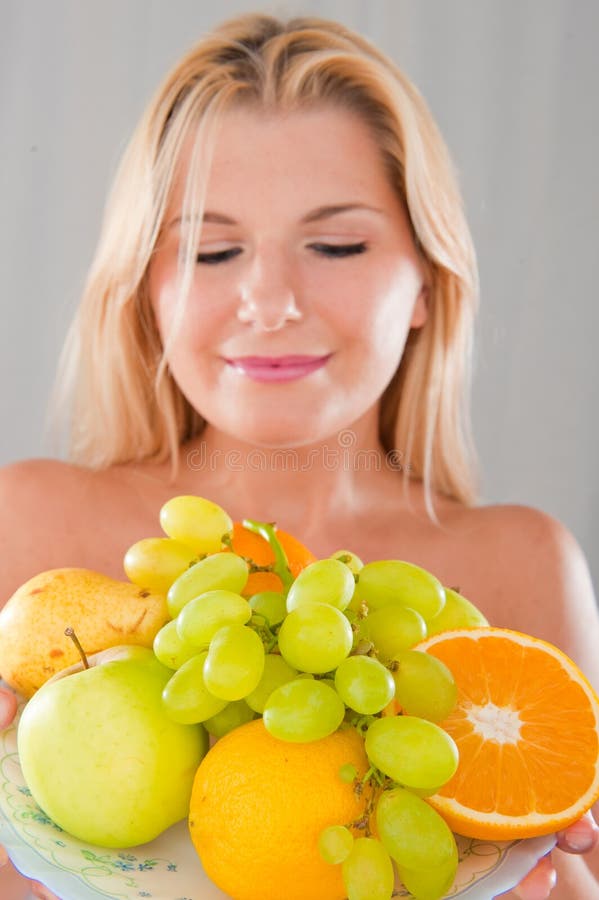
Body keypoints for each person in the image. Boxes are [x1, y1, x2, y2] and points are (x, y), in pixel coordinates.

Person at [0, 12, 598, 899]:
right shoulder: (29, 524)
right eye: (211, 249)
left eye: (336, 244)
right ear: (146, 291)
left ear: (426, 282)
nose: (270, 300)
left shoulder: (519, 563)